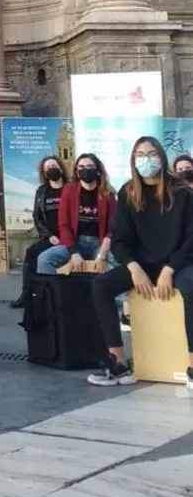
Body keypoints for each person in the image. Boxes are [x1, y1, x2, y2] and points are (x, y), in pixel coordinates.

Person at [88, 136, 193, 390]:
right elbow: (120, 238)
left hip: (177, 262)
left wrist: (169, 269)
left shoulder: (182, 193)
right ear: (133, 160)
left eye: (151, 153)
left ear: (161, 157)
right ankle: (119, 363)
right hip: (142, 264)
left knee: (191, 288)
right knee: (101, 285)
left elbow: (191, 238)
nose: (146, 160)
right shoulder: (128, 193)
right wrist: (133, 268)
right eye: (140, 155)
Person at [36, 152, 115, 274]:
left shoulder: (107, 194)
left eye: (89, 167)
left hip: (99, 243)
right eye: (81, 167)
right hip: (76, 242)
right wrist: (74, 252)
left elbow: (112, 229)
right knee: (44, 259)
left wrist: (102, 255)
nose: (85, 170)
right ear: (77, 172)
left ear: (98, 171)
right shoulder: (69, 190)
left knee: (117, 263)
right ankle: (55, 292)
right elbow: (64, 225)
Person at [10, 156, 67, 310]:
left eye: (53, 166)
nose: (51, 169)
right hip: (51, 237)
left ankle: (51, 295)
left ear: (61, 168)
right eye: (47, 168)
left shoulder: (70, 189)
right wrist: (50, 236)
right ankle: (28, 295)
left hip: (69, 237)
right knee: (31, 253)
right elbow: (37, 217)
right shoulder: (42, 192)